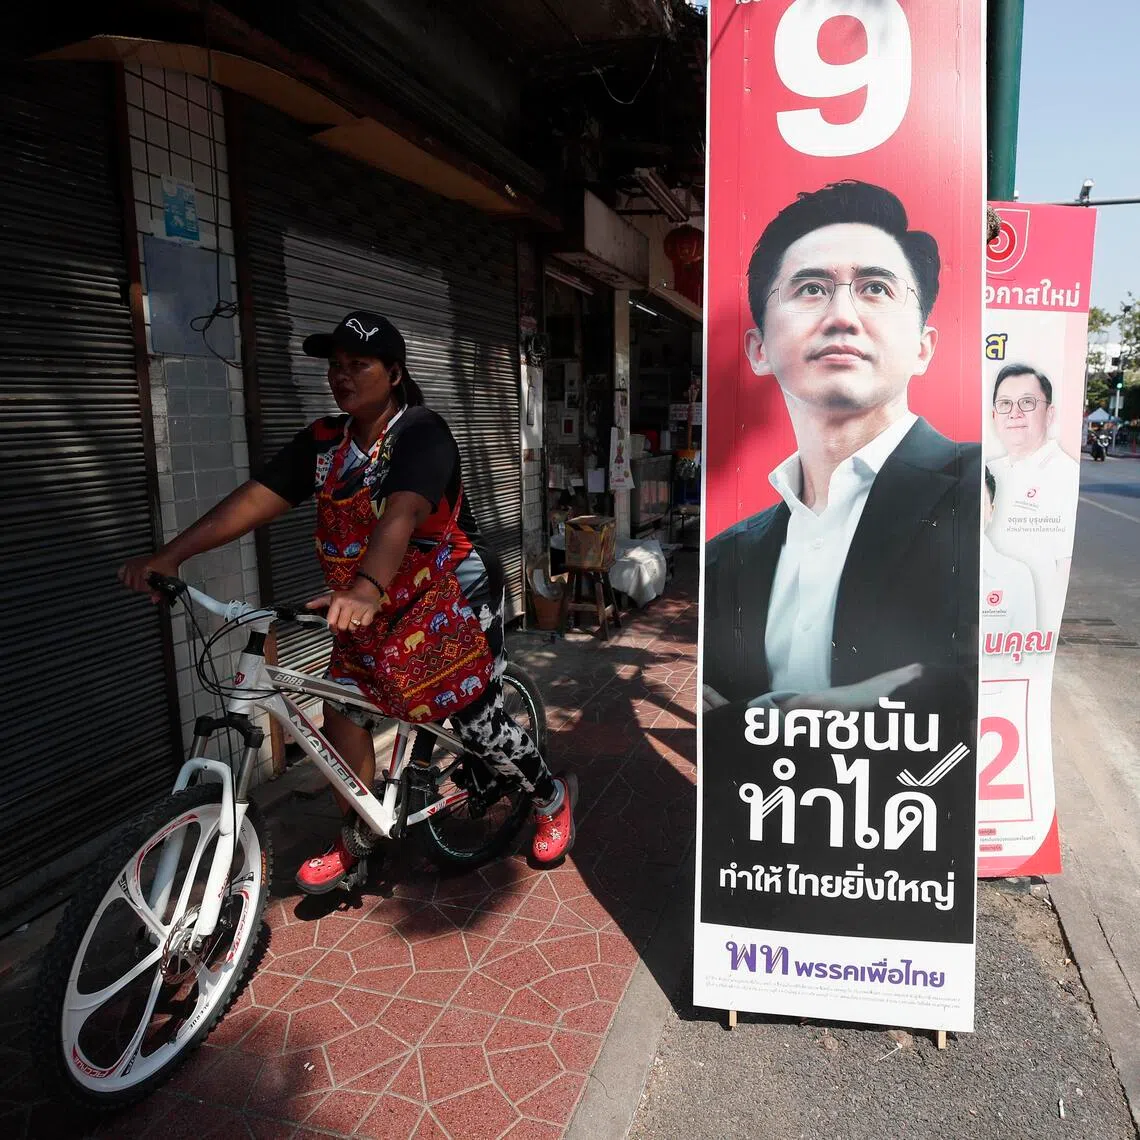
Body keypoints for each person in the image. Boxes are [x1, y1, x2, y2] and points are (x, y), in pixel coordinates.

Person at [120, 310, 576, 891]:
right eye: (334, 366)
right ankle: (358, 836)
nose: (342, 376)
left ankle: (549, 797)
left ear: (393, 373)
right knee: (345, 714)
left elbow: (405, 511)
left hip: (445, 596)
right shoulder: (324, 442)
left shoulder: (421, 432)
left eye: (357, 364)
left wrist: (365, 586)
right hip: (370, 604)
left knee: (473, 716)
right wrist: (173, 554)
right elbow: (257, 497)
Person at [702, 181, 980, 721]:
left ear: (924, 348)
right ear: (759, 350)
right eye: (810, 288)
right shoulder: (726, 556)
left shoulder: (979, 491)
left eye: (876, 288)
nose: (842, 316)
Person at [986, 363, 1079, 630]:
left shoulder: (1063, 473)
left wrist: (1045, 631)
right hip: (989, 613)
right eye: (1005, 404)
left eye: (1027, 402)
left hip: (1030, 627)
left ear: (1049, 414)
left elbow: (1064, 564)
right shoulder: (989, 471)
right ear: (994, 415)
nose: (1014, 413)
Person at [981, 466, 1037, 652]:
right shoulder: (921, 571)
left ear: (991, 511)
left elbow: (1024, 655)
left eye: (979, 503)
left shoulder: (1016, 576)